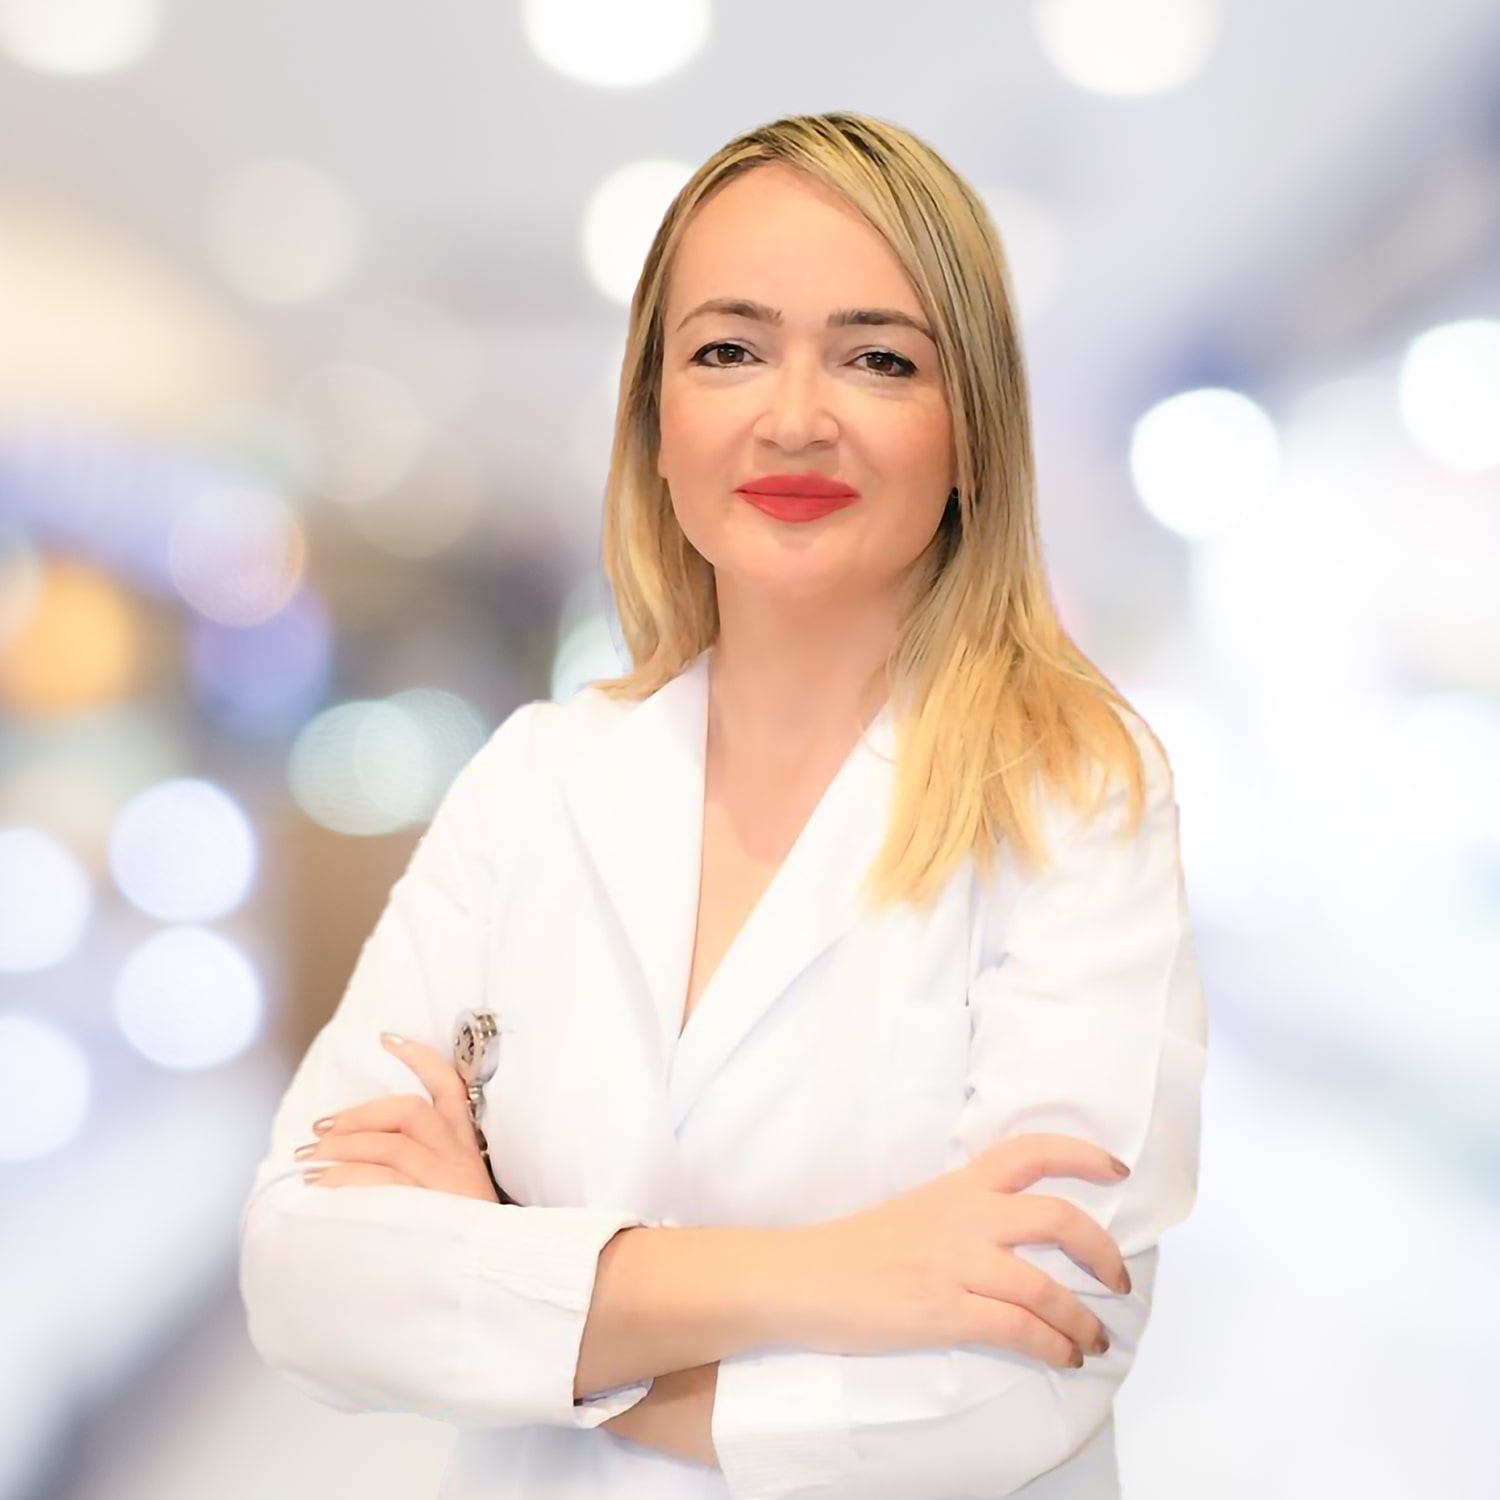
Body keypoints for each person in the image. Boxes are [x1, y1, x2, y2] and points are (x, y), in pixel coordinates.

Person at [238, 110, 1207, 1499]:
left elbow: (1025, 1371)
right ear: (654, 422)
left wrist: (521, 1303)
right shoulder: (536, 779)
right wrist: (832, 1276)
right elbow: (306, 1276)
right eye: (728, 351)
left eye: (879, 358)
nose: (794, 417)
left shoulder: (1069, 789)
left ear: (975, 435)